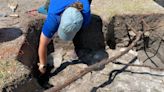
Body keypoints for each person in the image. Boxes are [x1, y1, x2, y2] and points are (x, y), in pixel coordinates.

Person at [38, 0, 91, 74]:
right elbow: (42, 44)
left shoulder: (86, 12)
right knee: (47, 7)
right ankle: (45, 7)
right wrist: (42, 64)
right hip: (57, 5)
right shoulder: (53, 15)